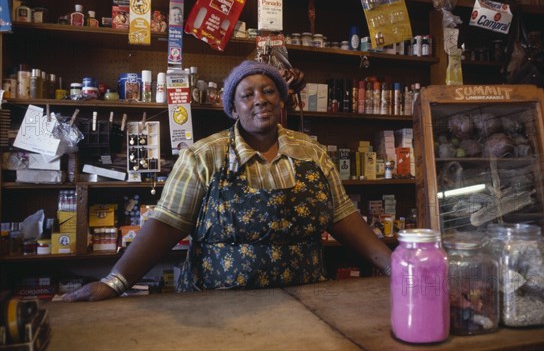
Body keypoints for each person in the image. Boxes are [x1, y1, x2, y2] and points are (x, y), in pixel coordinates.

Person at [64, 60, 392, 301]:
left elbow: (343, 215)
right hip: (216, 304)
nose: (259, 99)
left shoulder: (312, 153)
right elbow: (165, 225)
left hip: (305, 299)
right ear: (233, 108)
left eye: (268, 91)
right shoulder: (203, 156)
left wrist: (394, 267)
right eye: (247, 95)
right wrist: (115, 282)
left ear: (281, 101)